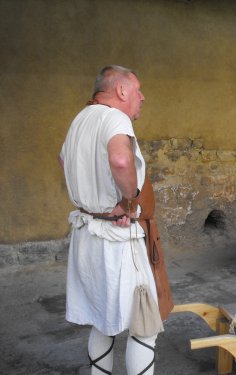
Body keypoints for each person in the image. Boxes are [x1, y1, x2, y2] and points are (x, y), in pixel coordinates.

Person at [59, 65, 171, 374]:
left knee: (102, 318)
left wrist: (92, 203)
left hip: (87, 232)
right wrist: (128, 203)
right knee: (144, 323)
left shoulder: (79, 119)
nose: (142, 97)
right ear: (121, 91)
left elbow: (63, 160)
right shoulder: (114, 117)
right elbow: (120, 159)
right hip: (117, 239)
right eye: (138, 90)